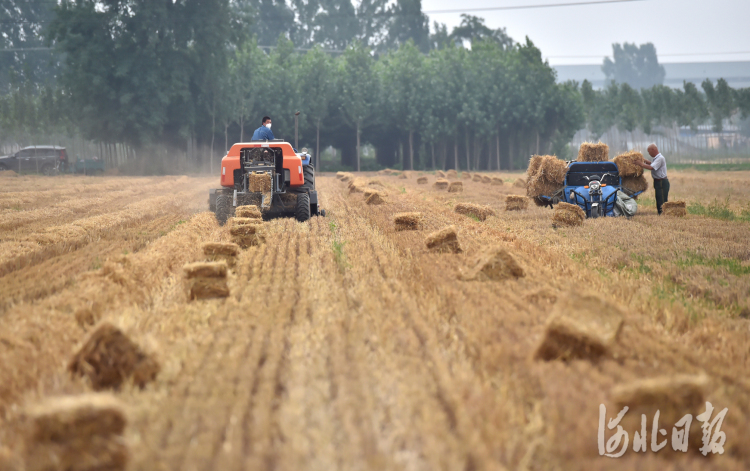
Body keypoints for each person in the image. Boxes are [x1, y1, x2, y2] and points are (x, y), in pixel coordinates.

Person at [637, 143, 669, 215]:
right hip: (658, 182)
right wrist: (643, 160)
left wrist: (640, 163)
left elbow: (651, 167)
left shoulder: (660, 158)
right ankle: (660, 213)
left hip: (662, 182)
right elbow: (651, 164)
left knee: (662, 199)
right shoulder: (657, 158)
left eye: (649, 151)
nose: (649, 153)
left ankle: (663, 214)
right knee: (658, 198)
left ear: (653, 150)